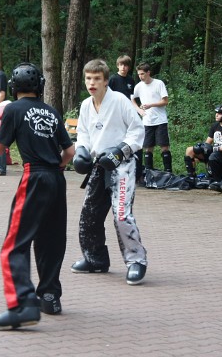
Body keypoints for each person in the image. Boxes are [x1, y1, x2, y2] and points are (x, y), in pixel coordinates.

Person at [0, 63, 75, 330]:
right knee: (51, 240)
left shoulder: (12, 109)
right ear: (40, 86)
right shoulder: (51, 111)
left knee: (14, 244)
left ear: (13, 87)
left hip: (34, 176)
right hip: (56, 179)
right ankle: (50, 296)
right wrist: (56, 167)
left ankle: (23, 305)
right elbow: (70, 152)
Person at [71, 59, 148, 286]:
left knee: (121, 215)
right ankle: (95, 258)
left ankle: (136, 261)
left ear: (106, 81)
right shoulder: (86, 105)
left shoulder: (120, 101)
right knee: (89, 214)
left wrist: (120, 151)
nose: (91, 83)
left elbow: (137, 130)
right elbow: (83, 133)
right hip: (99, 164)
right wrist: (81, 151)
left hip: (122, 165)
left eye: (96, 79)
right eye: (88, 78)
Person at [108, 54, 143, 182]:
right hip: (116, 114)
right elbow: (108, 97)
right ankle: (114, 170)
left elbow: (132, 98)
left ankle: (136, 173)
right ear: (118, 65)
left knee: (132, 140)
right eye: (121, 65)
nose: (123, 67)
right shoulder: (113, 79)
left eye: (126, 65)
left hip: (129, 114)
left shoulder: (131, 80)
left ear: (128, 67)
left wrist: (138, 109)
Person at [132, 63, 171, 173]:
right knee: (148, 148)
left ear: (148, 72)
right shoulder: (139, 86)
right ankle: (149, 173)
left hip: (160, 120)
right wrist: (139, 110)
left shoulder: (158, 83)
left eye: (142, 74)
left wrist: (151, 105)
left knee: (164, 147)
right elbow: (131, 99)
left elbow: (165, 101)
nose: (140, 76)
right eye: (139, 74)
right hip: (147, 121)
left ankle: (168, 172)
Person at [184, 104, 222, 181]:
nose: (216, 115)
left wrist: (215, 148)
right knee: (190, 150)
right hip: (213, 151)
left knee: (213, 155)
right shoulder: (215, 125)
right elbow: (208, 142)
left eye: (219, 113)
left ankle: (215, 179)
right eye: (216, 113)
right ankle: (191, 177)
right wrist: (201, 148)